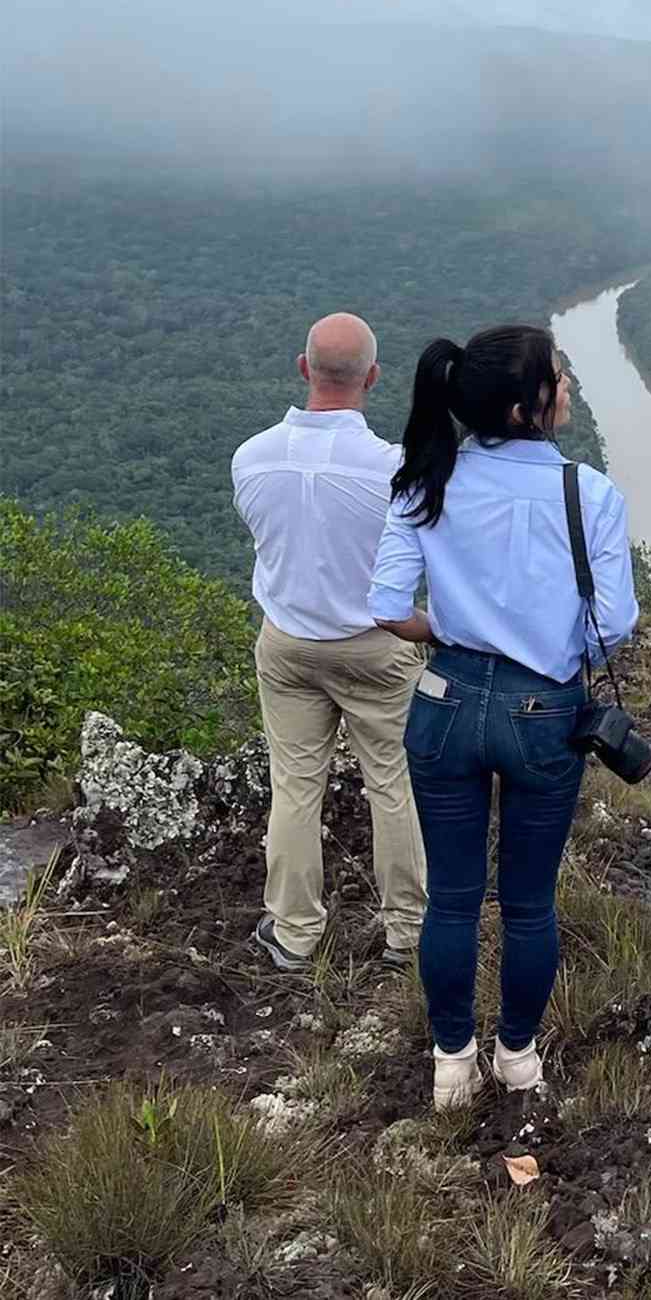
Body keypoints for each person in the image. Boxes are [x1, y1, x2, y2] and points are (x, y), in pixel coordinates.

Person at [369, 324, 638, 1110]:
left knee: (452, 898)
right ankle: (517, 1056)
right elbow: (614, 623)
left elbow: (388, 608)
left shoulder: (427, 481)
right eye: (562, 374)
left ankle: (452, 1062)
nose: (571, 384)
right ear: (530, 407)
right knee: (527, 902)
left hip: (444, 703)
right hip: (541, 710)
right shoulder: (589, 494)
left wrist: (451, 628)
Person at [231, 312, 428, 972]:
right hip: (375, 645)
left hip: (287, 644)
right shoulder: (397, 470)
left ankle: (294, 931)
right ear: (372, 377)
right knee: (393, 787)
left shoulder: (251, 458)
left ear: (302, 368)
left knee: (294, 787)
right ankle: (406, 934)